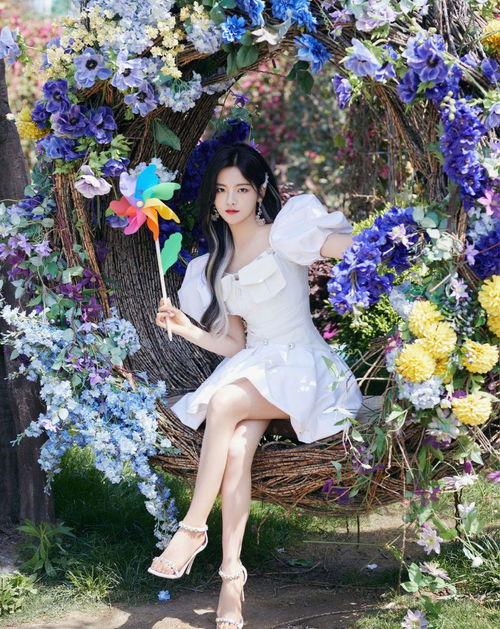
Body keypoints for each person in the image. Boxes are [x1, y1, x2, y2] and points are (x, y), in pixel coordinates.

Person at [150, 142, 363, 629]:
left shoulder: (285, 232)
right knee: (237, 447)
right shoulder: (213, 265)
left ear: (260, 191)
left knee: (225, 401)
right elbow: (234, 344)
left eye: (242, 189)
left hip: (305, 367)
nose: (231, 200)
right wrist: (187, 328)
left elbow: (349, 249)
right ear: (212, 197)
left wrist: (390, 247)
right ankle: (232, 578)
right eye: (222, 190)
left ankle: (192, 528)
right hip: (258, 366)